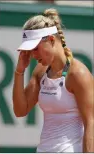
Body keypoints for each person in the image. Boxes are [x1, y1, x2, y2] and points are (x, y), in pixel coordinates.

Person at [13, 8, 94, 152]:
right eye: (30, 50)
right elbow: (20, 110)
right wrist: (19, 71)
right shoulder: (40, 71)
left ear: (51, 40)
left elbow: (91, 123)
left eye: (35, 48)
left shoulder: (78, 74)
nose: (32, 55)